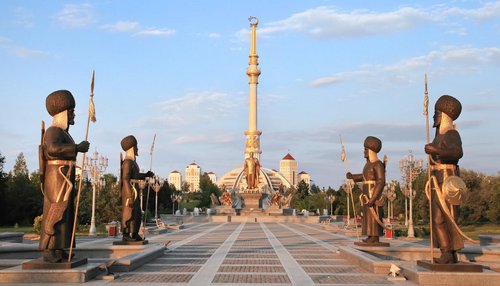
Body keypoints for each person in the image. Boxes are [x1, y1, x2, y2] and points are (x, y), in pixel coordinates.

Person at [39, 90, 90, 263]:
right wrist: (76, 148)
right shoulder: (53, 131)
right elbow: (53, 150)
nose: (74, 115)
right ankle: (49, 248)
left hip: (65, 177)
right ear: (63, 113)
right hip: (56, 177)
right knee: (55, 211)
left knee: (65, 213)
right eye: (71, 111)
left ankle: (60, 248)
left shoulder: (65, 133)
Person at [424, 95, 464, 264]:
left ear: (444, 115)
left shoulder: (452, 134)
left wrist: (436, 150)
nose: (434, 116)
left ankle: (449, 252)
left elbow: (457, 153)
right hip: (436, 180)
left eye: (436, 112)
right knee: (437, 217)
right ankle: (445, 251)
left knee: (447, 217)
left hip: (448, 180)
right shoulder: (438, 136)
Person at [346, 136, 385, 243]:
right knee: (368, 216)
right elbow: (363, 177)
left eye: (365, 150)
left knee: (374, 215)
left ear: (371, 151)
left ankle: (375, 237)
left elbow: (381, 181)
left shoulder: (378, 164)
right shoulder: (368, 165)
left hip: (373, 193)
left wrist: (373, 198)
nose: (364, 152)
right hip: (366, 193)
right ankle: (370, 235)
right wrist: (352, 176)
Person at [120, 135, 154, 242]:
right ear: (132, 148)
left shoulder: (132, 161)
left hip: (134, 189)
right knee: (128, 212)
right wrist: (129, 193)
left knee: (137, 213)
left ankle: (134, 233)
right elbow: (125, 178)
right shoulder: (127, 162)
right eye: (136, 146)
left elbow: (135, 175)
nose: (137, 149)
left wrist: (146, 175)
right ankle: (125, 234)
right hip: (129, 190)